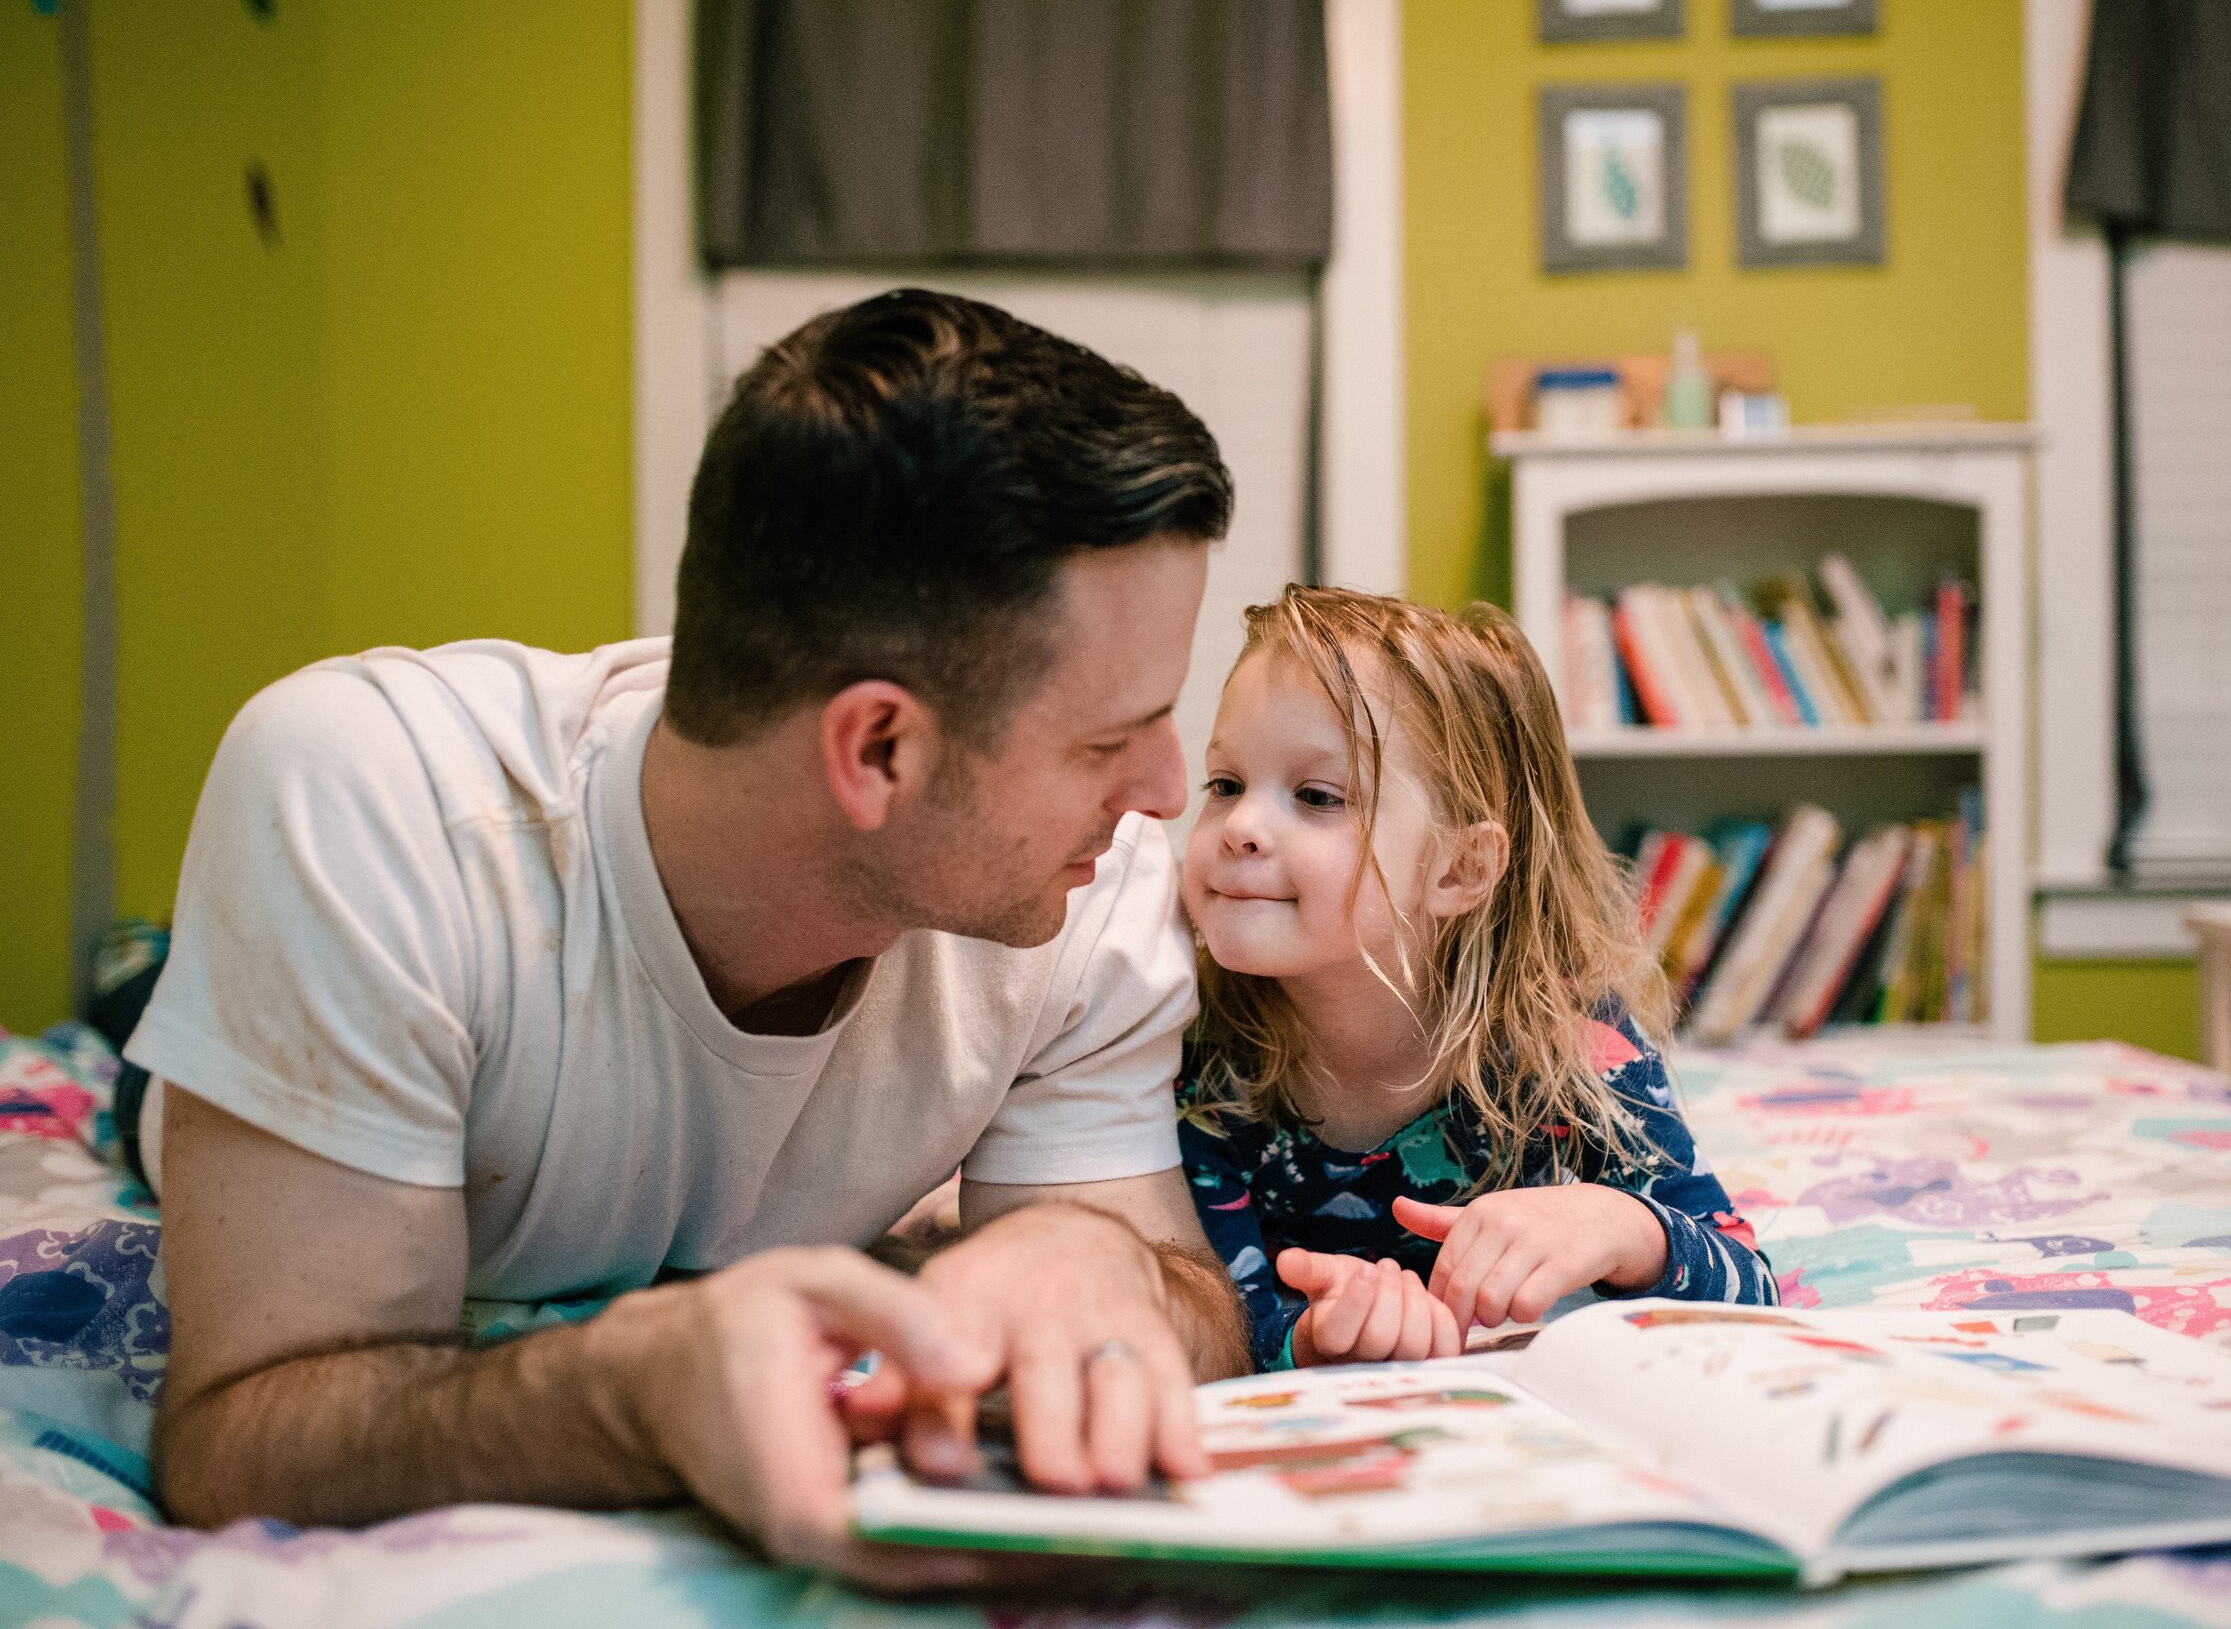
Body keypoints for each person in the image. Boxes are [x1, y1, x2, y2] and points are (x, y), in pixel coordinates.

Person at [124, 290, 1253, 1582]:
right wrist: (628, 1383)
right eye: (1109, 742)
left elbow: (1183, 1293)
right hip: (323, 1006)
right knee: (158, 1042)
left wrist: (1105, 1258)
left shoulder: (1085, 880)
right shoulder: (377, 811)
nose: (1171, 791)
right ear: (878, 746)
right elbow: (237, 1429)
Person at [1176, 588, 1778, 1370]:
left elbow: (1752, 1287)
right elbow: (1213, 1313)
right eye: (1224, 784)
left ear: (1459, 869)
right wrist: (1311, 1335)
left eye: (1317, 796)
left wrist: (1621, 1225)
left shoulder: (1569, 1042)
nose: (1241, 827)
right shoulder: (1195, 1049)